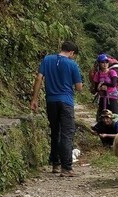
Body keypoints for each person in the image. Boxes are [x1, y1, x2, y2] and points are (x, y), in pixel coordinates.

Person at [30, 40, 83, 177]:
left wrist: (34, 99)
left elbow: (39, 78)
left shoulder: (47, 60)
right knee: (67, 133)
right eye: (73, 55)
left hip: (51, 101)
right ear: (71, 52)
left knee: (55, 131)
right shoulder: (72, 64)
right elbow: (79, 87)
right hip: (66, 101)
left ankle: (55, 164)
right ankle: (66, 167)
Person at [92, 53, 118, 120]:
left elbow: (113, 84)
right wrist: (99, 88)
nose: (105, 64)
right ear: (99, 63)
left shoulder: (112, 72)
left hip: (112, 96)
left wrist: (103, 83)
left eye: (106, 62)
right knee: (102, 116)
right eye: (102, 62)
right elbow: (96, 88)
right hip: (102, 96)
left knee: (115, 115)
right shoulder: (98, 74)